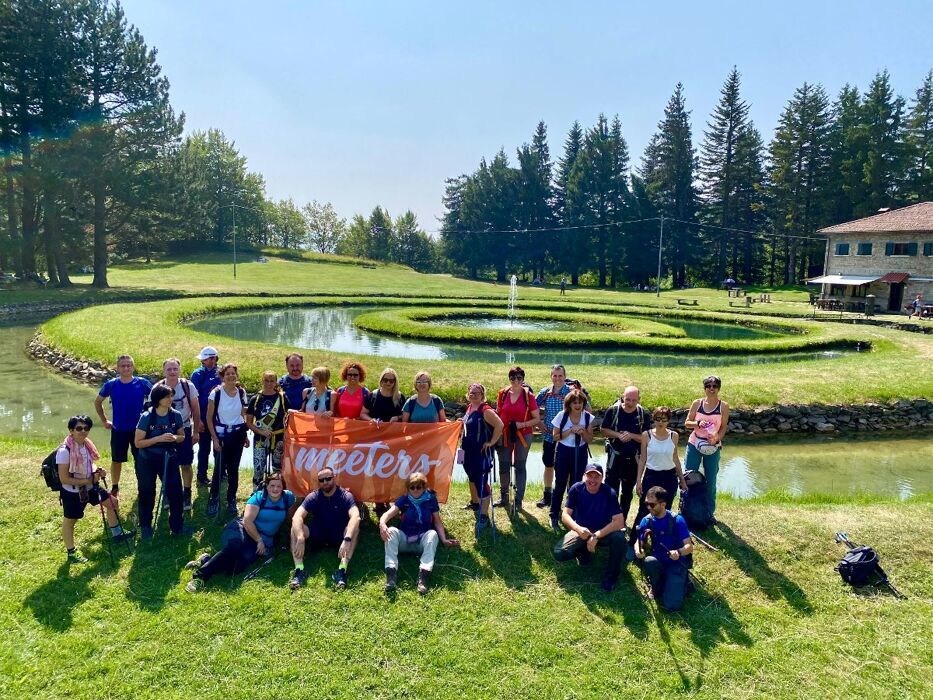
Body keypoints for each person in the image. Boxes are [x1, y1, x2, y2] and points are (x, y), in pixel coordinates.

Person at [186, 472, 296, 591]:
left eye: (279, 486)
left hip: (263, 539)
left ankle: (206, 560)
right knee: (235, 546)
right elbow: (248, 521)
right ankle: (200, 577)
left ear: (283, 488)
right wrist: (259, 540)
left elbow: (292, 515)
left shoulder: (287, 497)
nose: (275, 489)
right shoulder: (258, 497)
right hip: (241, 528)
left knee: (238, 566)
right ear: (267, 486)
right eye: (272, 486)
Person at [57, 415, 133, 563]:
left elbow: (87, 465)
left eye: (86, 428)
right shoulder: (64, 451)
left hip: (91, 486)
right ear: (71, 430)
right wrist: (86, 480)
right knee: (71, 520)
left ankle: (117, 533)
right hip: (73, 491)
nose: (83, 431)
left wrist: (97, 471)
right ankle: (71, 552)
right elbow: (63, 479)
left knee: (113, 503)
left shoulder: (87, 445)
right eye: (79, 428)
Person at [379, 471, 460, 594]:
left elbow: (437, 521)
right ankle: (391, 577)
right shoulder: (404, 500)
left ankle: (423, 577)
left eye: (419, 487)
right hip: (405, 539)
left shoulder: (431, 499)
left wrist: (444, 539)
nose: (415, 490)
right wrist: (382, 524)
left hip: (421, 541)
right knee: (391, 531)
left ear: (424, 487)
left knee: (433, 534)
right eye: (412, 487)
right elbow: (388, 514)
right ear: (408, 488)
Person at [552, 463, 626, 592]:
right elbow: (565, 515)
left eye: (596, 477)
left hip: (603, 532)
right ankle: (583, 551)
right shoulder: (576, 489)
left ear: (602, 478)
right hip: (582, 531)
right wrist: (578, 529)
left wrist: (597, 535)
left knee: (619, 538)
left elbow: (619, 522)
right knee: (560, 553)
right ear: (583, 476)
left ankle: (611, 576)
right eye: (589, 476)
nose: (592, 480)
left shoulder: (609, 492)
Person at [288, 466, 361, 591]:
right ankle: (299, 570)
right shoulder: (314, 496)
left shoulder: (345, 495)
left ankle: (342, 570)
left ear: (334, 478)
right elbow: (297, 516)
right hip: (317, 534)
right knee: (295, 527)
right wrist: (300, 538)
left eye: (328, 478)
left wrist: (347, 539)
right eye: (321, 480)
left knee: (355, 529)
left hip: (338, 536)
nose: (325, 482)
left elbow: (356, 516)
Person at [94, 354, 152, 497]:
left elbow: (157, 398)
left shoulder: (143, 383)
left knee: (141, 460)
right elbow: (97, 401)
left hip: (139, 430)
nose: (126, 368)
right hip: (118, 429)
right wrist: (104, 420)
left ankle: (142, 487)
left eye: (129, 365)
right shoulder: (111, 384)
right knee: (116, 460)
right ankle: (115, 487)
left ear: (133, 367)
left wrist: (152, 419)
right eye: (123, 366)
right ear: (117, 368)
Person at [134, 384, 188, 538]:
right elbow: (138, 443)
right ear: (158, 399)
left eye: (171, 396)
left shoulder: (175, 415)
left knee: (175, 492)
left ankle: (177, 527)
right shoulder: (146, 417)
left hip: (169, 457)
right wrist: (158, 438)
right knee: (146, 491)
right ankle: (145, 526)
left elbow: (182, 436)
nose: (171, 399)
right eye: (167, 396)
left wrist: (174, 438)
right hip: (147, 459)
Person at [631, 407, 688, 551]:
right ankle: (635, 543)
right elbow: (643, 459)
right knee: (645, 510)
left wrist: (682, 479)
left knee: (664, 511)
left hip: (669, 477)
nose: (660, 422)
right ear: (653, 420)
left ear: (669, 420)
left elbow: (675, 458)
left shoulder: (674, 436)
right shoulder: (646, 435)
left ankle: (660, 542)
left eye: (664, 419)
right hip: (652, 475)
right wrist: (638, 480)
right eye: (657, 419)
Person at [152, 358, 201, 513]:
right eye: (169, 369)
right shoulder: (157, 388)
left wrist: (195, 432)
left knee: (186, 463)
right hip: (163, 431)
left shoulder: (188, 386)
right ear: (164, 371)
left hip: (184, 427)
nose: (172, 372)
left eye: (175, 369)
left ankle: (187, 493)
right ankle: (167, 491)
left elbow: (196, 409)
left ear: (179, 370)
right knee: (163, 463)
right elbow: (151, 411)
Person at [635, 485, 694, 611]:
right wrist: (638, 550)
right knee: (649, 561)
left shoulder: (677, 520)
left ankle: (682, 581)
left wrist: (678, 552)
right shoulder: (647, 520)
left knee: (671, 606)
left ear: (663, 504)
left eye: (652, 504)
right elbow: (638, 540)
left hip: (676, 562)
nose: (648, 507)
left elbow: (689, 547)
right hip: (658, 559)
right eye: (647, 504)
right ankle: (656, 585)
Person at [600, 385, 651, 527]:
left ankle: (622, 522)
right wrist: (618, 435)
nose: (630, 403)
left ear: (639, 400)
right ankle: (609, 521)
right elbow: (603, 430)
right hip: (614, 458)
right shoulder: (613, 410)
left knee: (627, 493)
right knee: (611, 492)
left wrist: (632, 436)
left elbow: (647, 438)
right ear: (622, 397)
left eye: (633, 400)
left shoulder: (643, 414)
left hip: (633, 460)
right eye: (627, 399)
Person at [360, 367, 406, 516]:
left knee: (391, 470)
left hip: (394, 441)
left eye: (391, 380)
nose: (388, 383)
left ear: (395, 382)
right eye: (385, 380)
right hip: (375, 440)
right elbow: (363, 413)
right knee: (376, 470)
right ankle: (378, 501)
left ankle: (387, 498)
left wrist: (397, 418)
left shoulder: (400, 397)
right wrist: (371, 420)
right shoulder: (373, 395)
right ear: (381, 380)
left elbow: (406, 417)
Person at [206, 363, 249, 517]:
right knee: (219, 468)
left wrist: (245, 436)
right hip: (221, 435)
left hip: (237, 435)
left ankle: (231, 498)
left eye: (233, 373)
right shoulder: (215, 394)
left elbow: (243, 416)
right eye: (228, 374)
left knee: (233, 469)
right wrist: (214, 439)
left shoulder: (241, 392)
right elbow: (209, 418)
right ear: (222, 377)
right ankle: (214, 498)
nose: (231, 376)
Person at [684, 375, 730, 520]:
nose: (711, 388)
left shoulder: (723, 406)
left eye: (714, 386)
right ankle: (686, 509)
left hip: (713, 447)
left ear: (719, 388)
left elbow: (723, 427)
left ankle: (709, 513)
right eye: (708, 386)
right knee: (690, 477)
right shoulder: (697, 403)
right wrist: (698, 423)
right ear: (704, 388)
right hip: (695, 444)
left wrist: (717, 438)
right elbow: (687, 423)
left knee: (711, 481)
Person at [494, 366, 539, 512]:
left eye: (519, 378)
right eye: (513, 378)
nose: (516, 381)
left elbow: (537, 418)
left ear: (523, 379)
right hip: (505, 434)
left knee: (520, 465)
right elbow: (498, 414)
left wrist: (522, 424)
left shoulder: (528, 396)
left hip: (523, 434)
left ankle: (518, 500)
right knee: (504, 464)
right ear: (509, 379)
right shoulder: (503, 394)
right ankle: (504, 497)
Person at [549, 389, 594, 531]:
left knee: (576, 484)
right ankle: (554, 514)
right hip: (563, 451)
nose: (577, 405)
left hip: (580, 451)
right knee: (560, 483)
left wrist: (583, 432)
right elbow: (555, 436)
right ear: (569, 404)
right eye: (575, 402)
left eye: (580, 402)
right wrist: (570, 431)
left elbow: (590, 439)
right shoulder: (561, 416)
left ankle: (573, 514)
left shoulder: (587, 417)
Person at [460, 383, 503, 526]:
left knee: (481, 481)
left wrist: (491, 442)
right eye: (472, 392)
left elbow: (500, 425)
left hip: (481, 453)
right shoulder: (470, 408)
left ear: (482, 395)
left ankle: (483, 516)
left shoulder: (485, 410)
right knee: (471, 476)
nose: (474, 395)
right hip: (466, 451)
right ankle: (475, 503)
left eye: (477, 393)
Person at [534, 364, 572, 509]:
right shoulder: (545, 392)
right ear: (551, 376)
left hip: (566, 437)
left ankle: (569, 498)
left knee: (566, 468)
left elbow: (582, 408)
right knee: (548, 465)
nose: (557, 378)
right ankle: (547, 496)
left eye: (560, 376)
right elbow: (533, 407)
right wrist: (539, 422)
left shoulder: (570, 392)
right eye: (555, 375)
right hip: (549, 436)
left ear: (565, 376)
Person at [246, 370, 290, 492]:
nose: (269, 383)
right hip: (260, 439)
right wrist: (260, 432)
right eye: (266, 380)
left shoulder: (282, 398)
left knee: (277, 469)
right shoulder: (256, 399)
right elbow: (249, 422)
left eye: (272, 381)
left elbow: (290, 418)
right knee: (259, 468)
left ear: (276, 382)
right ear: (262, 381)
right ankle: (256, 493)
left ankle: (278, 493)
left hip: (279, 439)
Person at [191, 346, 222, 486]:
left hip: (219, 419)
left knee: (219, 446)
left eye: (205, 359)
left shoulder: (222, 372)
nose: (202, 361)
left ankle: (220, 472)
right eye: (203, 359)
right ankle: (201, 475)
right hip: (203, 417)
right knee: (204, 448)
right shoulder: (197, 374)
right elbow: (193, 398)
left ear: (213, 359)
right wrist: (197, 421)